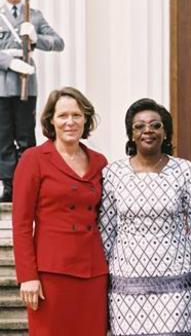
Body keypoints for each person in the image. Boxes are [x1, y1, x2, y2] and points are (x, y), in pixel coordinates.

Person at [99, 98, 191, 336]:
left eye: (155, 125)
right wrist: (101, 282)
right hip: (126, 283)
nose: (148, 131)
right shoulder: (112, 173)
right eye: (139, 126)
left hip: (177, 282)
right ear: (131, 134)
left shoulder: (187, 171)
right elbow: (106, 231)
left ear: (166, 133)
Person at [12, 87, 108, 335]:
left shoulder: (99, 161)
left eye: (76, 115)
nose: (70, 122)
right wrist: (27, 276)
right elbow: (21, 224)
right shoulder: (33, 159)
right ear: (51, 120)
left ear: (85, 119)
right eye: (63, 115)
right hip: (51, 273)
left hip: (93, 271)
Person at [0, 0, 64, 202]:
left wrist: (37, 39)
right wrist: (9, 62)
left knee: (26, 137)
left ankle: (27, 182)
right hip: (2, 85)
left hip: (26, 84)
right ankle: (9, 185)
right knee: (3, 138)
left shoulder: (34, 16)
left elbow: (58, 42)